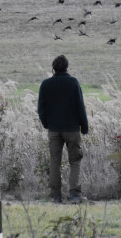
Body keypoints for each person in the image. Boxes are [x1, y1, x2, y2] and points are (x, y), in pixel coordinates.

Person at [37, 54, 89, 203]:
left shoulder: (45, 84)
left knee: (55, 162)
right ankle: (74, 194)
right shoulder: (73, 83)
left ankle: (55, 196)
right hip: (72, 129)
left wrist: (46, 123)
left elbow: (41, 108)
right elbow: (80, 106)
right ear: (67, 67)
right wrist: (84, 127)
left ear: (53, 68)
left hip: (53, 130)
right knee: (75, 161)